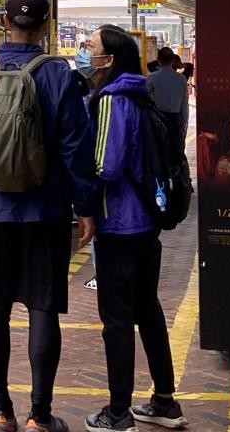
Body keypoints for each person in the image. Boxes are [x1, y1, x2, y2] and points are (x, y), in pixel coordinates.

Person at [0, 0, 98, 432]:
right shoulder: (58, 73)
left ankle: (0, 411)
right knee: (42, 308)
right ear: (45, 25)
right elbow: (75, 147)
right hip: (46, 209)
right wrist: (85, 206)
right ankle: (40, 414)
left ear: (3, 21)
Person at [79, 25, 185, 432]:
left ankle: (118, 413)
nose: (83, 52)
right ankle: (164, 401)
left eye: (90, 47)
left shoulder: (112, 100)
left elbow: (107, 164)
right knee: (148, 310)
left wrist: (80, 193)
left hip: (119, 225)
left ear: (111, 59)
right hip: (146, 222)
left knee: (118, 320)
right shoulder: (139, 94)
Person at [145, 48, 188, 144]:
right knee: (175, 153)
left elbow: (146, 102)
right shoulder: (181, 79)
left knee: (159, 152)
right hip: (175, 120)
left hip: (157, 120)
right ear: (173, 60)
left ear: (158, 61)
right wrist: (184, 124)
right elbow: (184, 106)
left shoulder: (151, 78)